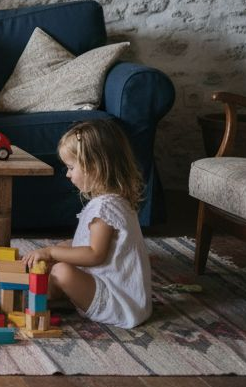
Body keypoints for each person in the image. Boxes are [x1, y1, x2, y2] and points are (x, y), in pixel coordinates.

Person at [22, 120, 152, 329]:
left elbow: (94, 254)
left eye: (71, 167)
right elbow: (89, 243)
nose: (67, 174)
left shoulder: (105, 208)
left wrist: (52, 252)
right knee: (57, 260)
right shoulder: (115, 200)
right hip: (122, 295)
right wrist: (60, 248)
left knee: (61, 269)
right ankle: (39, 293)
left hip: (118, 302)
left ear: (95, 167)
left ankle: (36, 298)